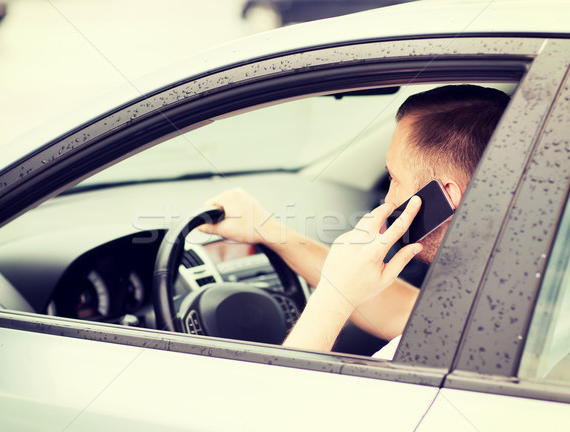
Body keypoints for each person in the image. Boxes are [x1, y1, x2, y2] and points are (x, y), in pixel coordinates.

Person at [199, 84, 510, 358]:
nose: (388, 200)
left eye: (394, 178)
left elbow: (278, 409)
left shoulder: (428, 360)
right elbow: (410, 313)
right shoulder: (511, 294)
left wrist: (333, 297)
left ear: (446, 196)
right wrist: (269, 232)